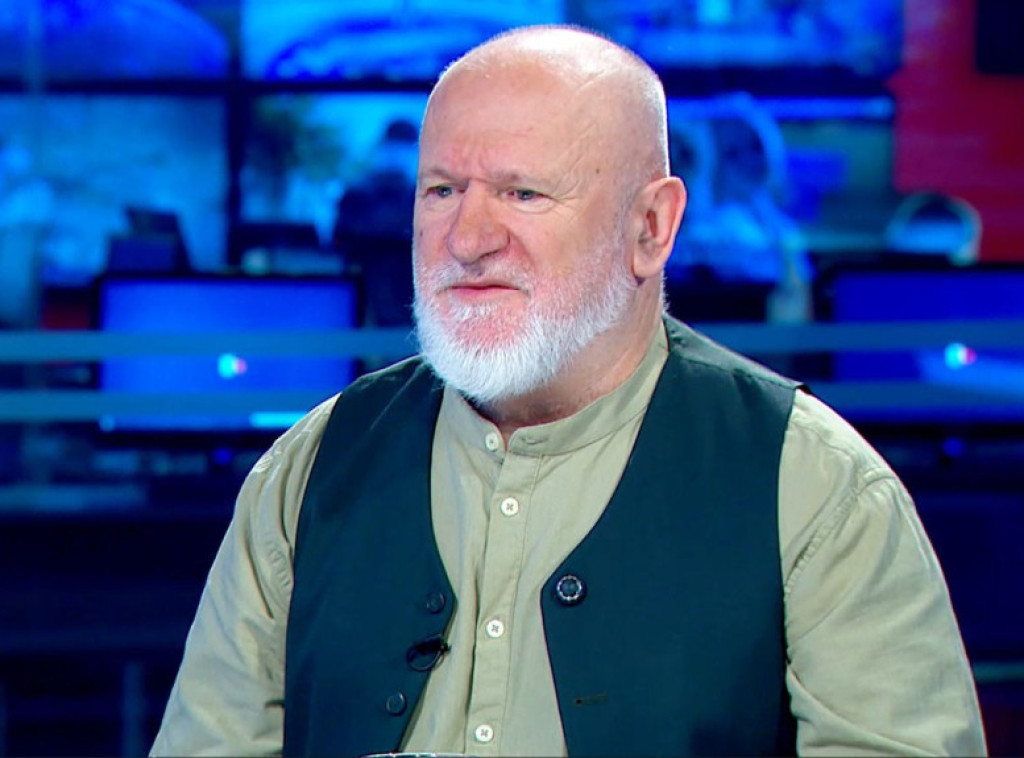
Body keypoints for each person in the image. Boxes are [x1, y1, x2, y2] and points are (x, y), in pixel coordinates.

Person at [151, 26, 987, 757]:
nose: (467, 238)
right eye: (442, 191)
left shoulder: (817, 488)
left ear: (650, 228)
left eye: (523, 193)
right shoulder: (309, 470)